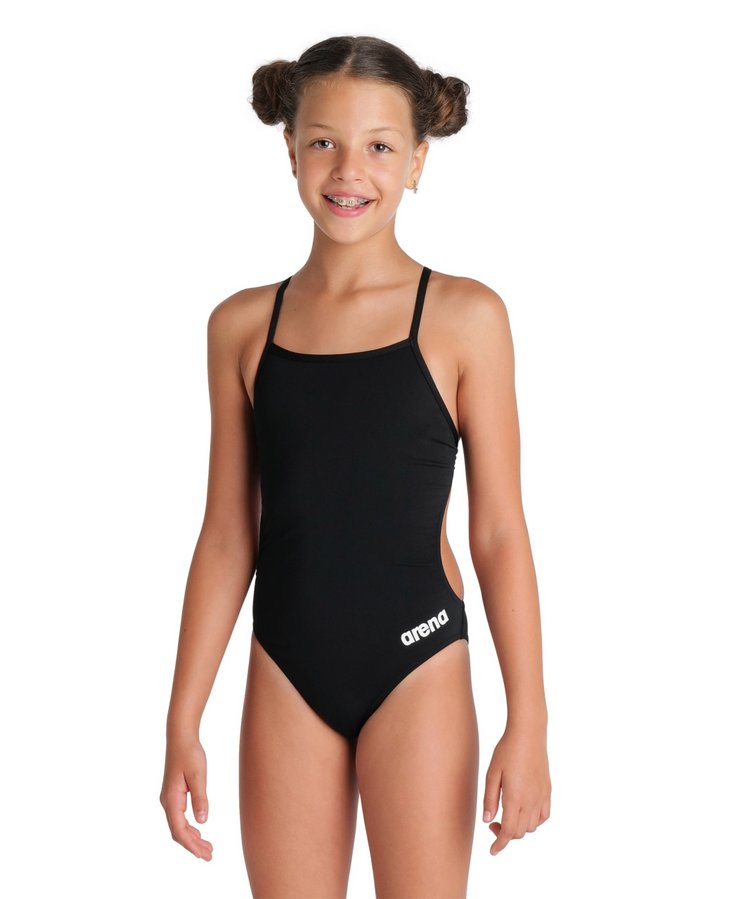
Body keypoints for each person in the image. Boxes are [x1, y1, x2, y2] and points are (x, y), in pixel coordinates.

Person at [160, 34, 551, 898]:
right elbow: (227, 536)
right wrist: (182, 717)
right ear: (290, 150)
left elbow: (497, 531)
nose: (349, 170)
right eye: (324, 141)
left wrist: (530, 719)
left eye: (379, 145)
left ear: (417, 161)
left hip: (418, 661)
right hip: (286, 666)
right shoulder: (240, 327)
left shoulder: (465, 316)